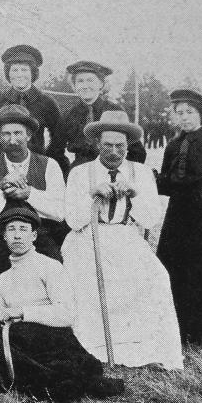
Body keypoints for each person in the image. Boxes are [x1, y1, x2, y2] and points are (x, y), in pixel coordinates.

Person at [0, 206, 124, 402]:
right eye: (11, 229)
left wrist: (22, 312)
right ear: (4, 237)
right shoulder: (2, 281)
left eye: (23, 229)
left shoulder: (49, 267)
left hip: (52, 340)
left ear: (34, 236)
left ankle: (58, 381)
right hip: (19, 345)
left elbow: (66, 314)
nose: (17, 235)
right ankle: (45, 381)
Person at [62, 110, 183, 369]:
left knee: (157, 276)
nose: (114, 152)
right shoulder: (80, 173)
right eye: (108, 145)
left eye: (120, 146)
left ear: (128, 146)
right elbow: (72, 220)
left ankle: (145, 346)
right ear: (97, 144)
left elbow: (150, 219)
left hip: (126, 237)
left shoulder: (140, 172)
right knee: (86, 278)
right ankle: (94, 345)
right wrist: (92, 197)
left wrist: (134, 195)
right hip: (88, 238)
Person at [156, 89, 202, 348]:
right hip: (177, 212)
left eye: (190, 112)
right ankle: (181, 327)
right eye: (179, 113)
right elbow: (166, 183)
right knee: (175, 264)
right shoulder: (172, 145)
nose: (184, 118)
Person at [0, 104, 65, 308]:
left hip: (41, 235)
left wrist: (29, 194)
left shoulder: (49, 165)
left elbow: (60, 212)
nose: (12, 140)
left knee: (54, 271)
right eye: (6, 134)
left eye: (18, 133)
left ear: (29, 135)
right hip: (1, 236)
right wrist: (1, 189)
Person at [47, 60, 146, 177]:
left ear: (101, 84)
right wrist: (69, 173)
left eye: (90, 80)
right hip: (80, 176)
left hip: (110, 175)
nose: (85, 86)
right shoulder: (69, 115)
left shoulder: (114, 110)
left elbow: (138, 152)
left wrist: (121, 174)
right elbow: (54, 151)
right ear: (74, 86)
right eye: (80, 81)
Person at [0, 45, 61, 157]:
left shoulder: (46, 102)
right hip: (3, 165)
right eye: (15, 70)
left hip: (35, 166)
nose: (19, 75)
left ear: (33, 73)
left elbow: (59, 136)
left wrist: (46, 160)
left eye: (24, 70)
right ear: (8, 73)